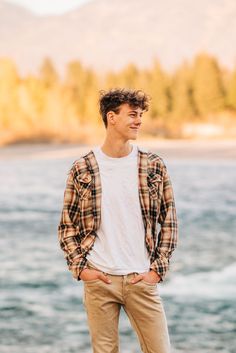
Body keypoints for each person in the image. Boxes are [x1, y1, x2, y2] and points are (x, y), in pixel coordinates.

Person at [58, 88, 178, 353]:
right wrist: (81, 269)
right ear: (111, 118)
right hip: (100, 280)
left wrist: (157, 269)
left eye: (140, 115)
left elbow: (169, 221)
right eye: (132, 115)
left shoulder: (153, 165)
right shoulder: (83, 168)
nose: (139, 121)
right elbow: (67, 226)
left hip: (141, 278)